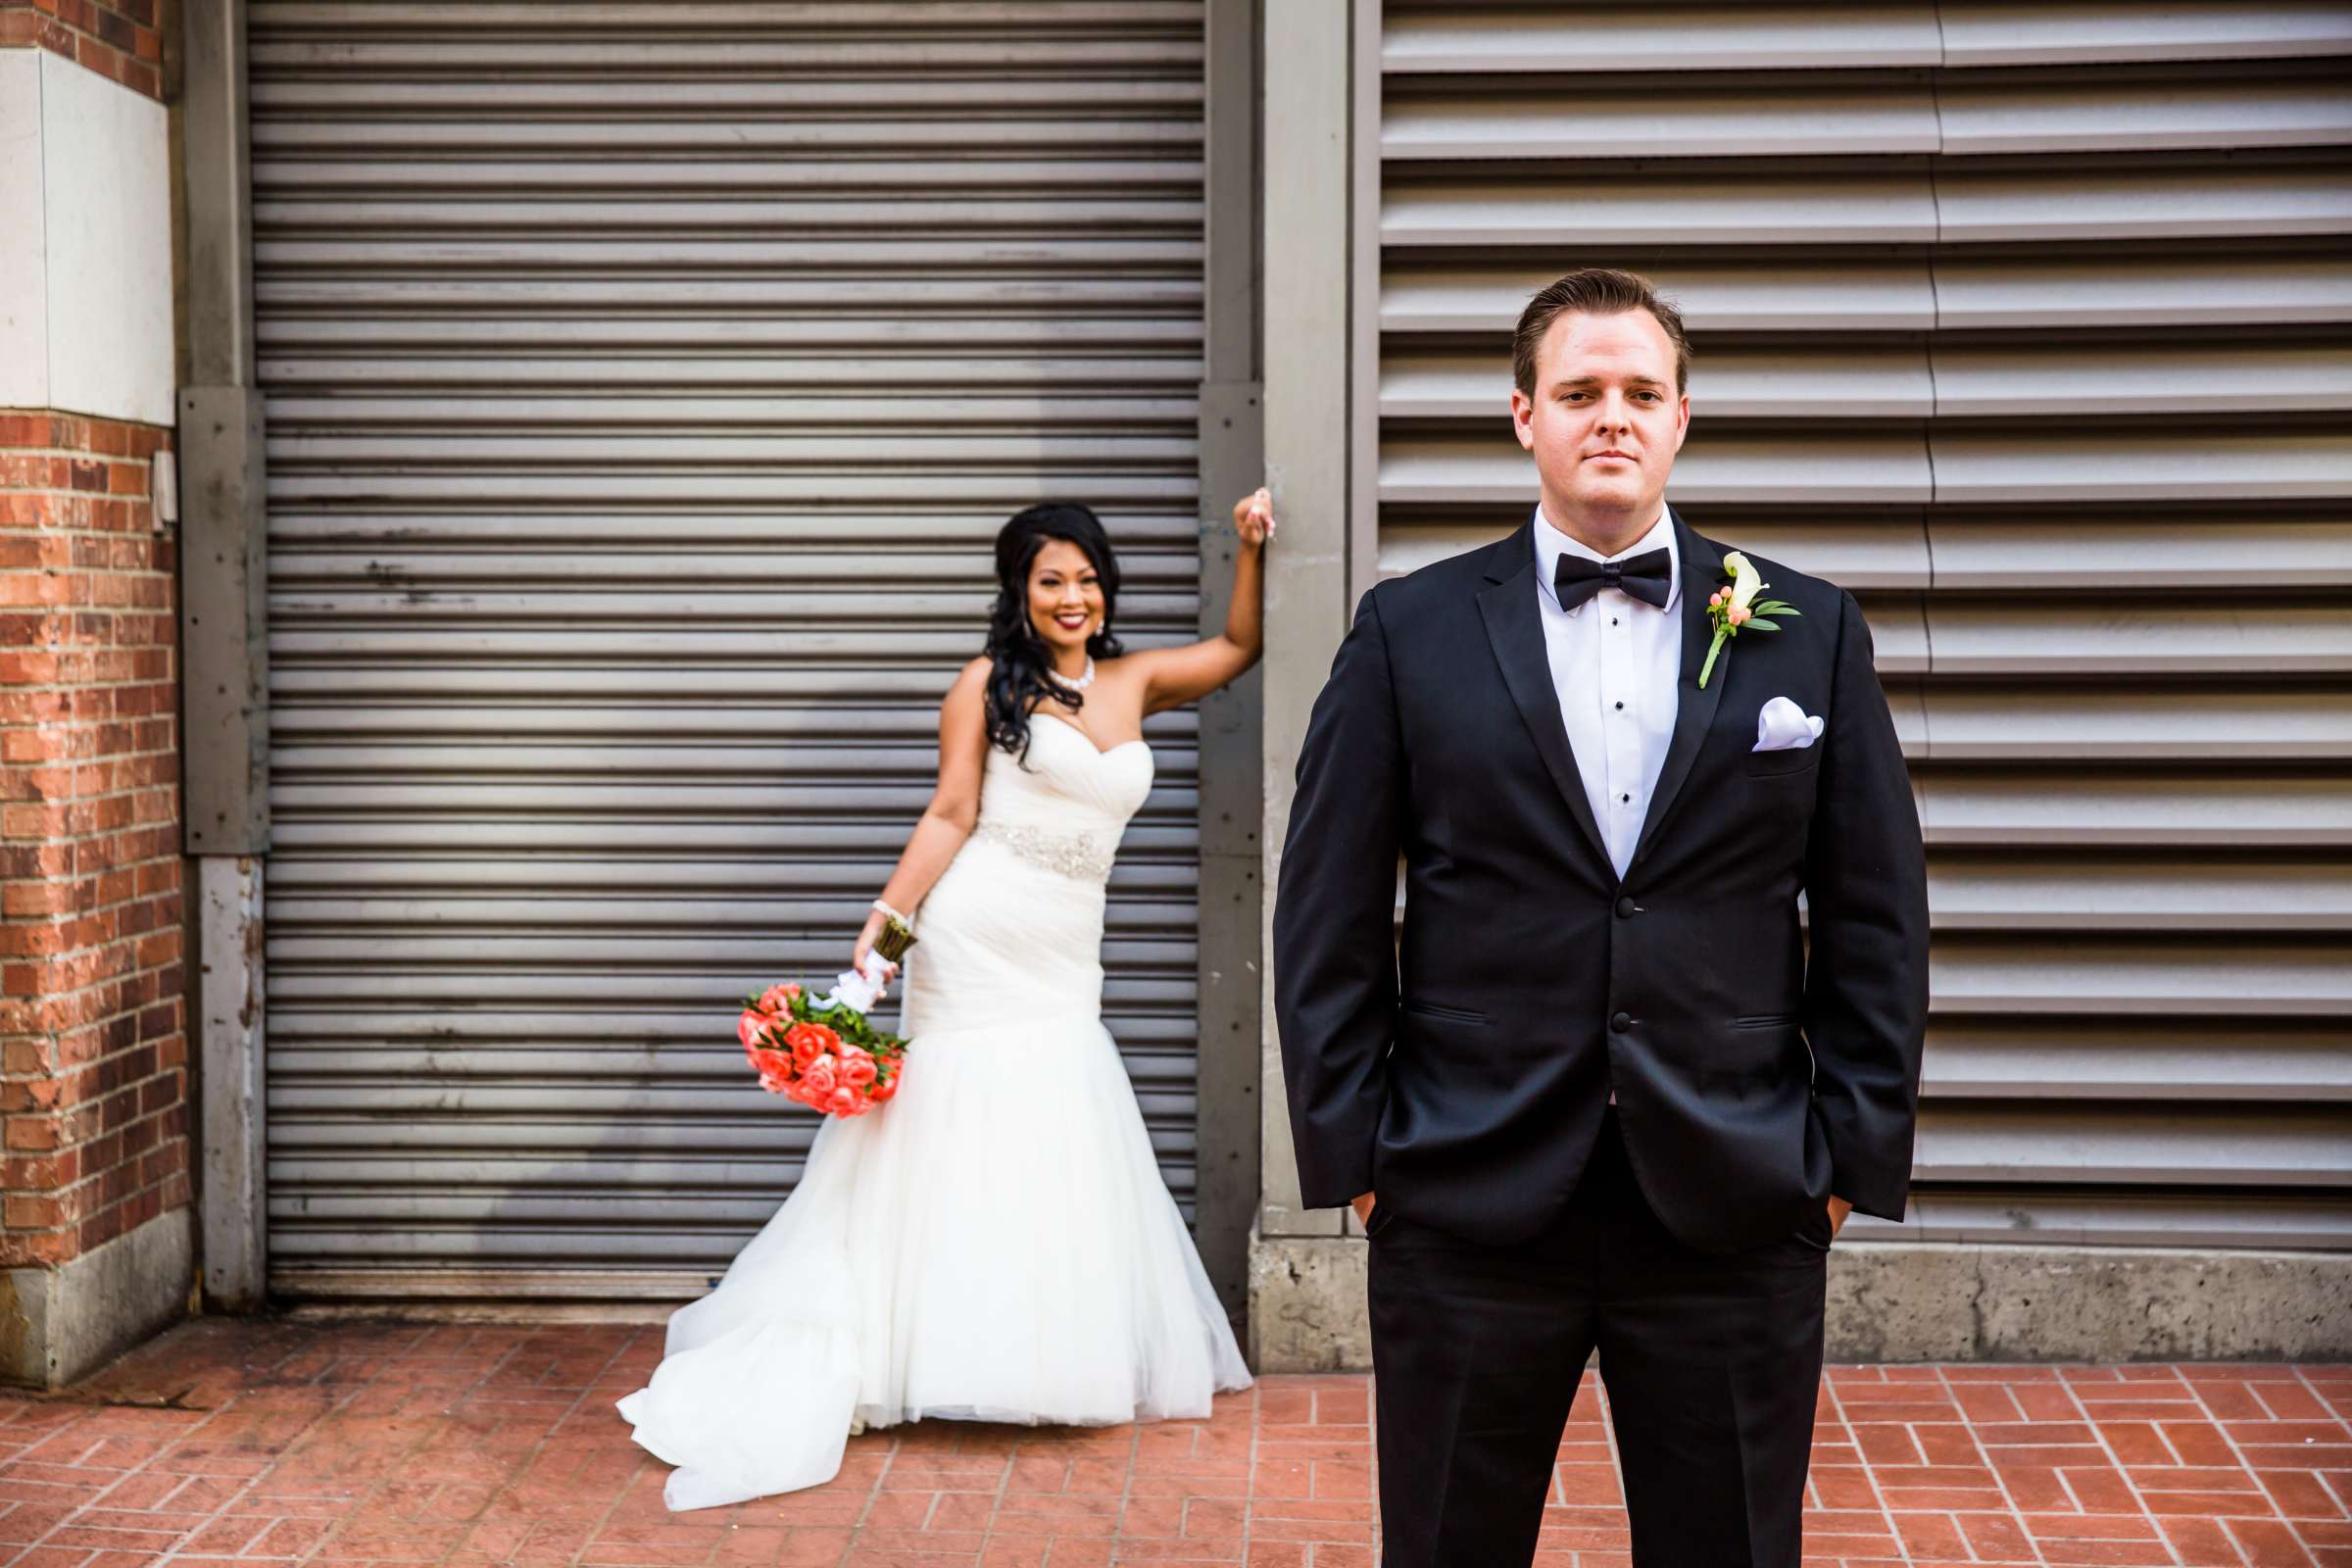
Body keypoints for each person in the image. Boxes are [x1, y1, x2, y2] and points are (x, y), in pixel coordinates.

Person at [1272, 269, 1929, 1566]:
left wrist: (1846, 1160)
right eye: (1578, 392)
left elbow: (1875, 911)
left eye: (1640, 392)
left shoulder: (1809, 630)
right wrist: (1357, 1160)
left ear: (1683, 418)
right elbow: (1328, 908)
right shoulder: (1407, 632)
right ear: (1523, 415)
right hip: (1467, 1190)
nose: (1609, 417)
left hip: (1736, 1195)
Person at [617, 492, 1272, 1509]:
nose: (1072, 596)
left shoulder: (1134, 679)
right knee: (953, 1123)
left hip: (1064, 954)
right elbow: (951, 810)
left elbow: (1237, 645)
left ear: (1107, 591)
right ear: (1020, 591)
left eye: (1087, 578)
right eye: (1051, 579)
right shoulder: (983, 685)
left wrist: (1250, 544)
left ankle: (1025, 1348)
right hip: (974, 936)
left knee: (1046, 1125)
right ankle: (914, 1349)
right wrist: (888, 919)